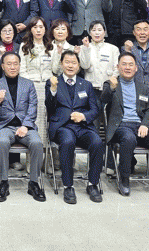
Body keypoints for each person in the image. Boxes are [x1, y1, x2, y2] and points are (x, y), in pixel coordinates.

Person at [101, 52, 149, 197]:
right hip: (121, 126)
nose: (127, 67)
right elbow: (103, 100)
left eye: (131, 64)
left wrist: (145, 124)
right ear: (118, 67)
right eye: (124, 64)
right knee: (129, 138)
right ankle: (124, 179)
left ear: (136, 68)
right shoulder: (111, 83)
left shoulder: (143, 87)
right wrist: (111, 88)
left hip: (140, 126)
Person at [46, 50, 104, 204]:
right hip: (63, 126)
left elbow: (95, 110)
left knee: (97, 142)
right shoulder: (53, 82)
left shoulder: (86, 85)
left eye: (74, 63)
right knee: (68, 142)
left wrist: (83, 116)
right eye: (67, 62)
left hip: (83, 126)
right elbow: (49, 108)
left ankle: (92, 184)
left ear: (79, 66)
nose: (70, 66)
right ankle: (68, 186)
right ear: (61, 64)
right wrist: (53, 90)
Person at [0, 52, 45, 202]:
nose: (12, 67)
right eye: (9, 64)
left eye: (15, 64)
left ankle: (34, 183)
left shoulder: (28, 84)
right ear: (3, 66)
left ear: (20, 66)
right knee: (2, 143)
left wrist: (26, 126)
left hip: (25, 126)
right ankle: (3, 182)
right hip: (4, 126)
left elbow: (33, 107)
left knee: (37, 143)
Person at [18, 17, 54, 146]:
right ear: (30, 29)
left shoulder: (52, 46)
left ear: (45, 29)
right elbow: (22, 69)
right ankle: (34, 152)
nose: (38, 30)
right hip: (31, 86)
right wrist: (30, 84)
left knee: (46, 119)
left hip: (48, 86)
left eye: (41, 27)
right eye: (35, 27)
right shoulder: (24, 46)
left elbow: (56, 69)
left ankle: (46, 153)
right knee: (34, 118)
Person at [122, 20, 149, 95]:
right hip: (132, 93)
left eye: (145, 29)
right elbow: (122, 71)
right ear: (134, 32)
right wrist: (127, 51)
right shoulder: (127, 49)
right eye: (138, 29)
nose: (142, 33)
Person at [80, 21, 120, 97]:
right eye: (94, 30)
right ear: (90, 33)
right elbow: (85, 66)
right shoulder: (83, 48)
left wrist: (111, 81)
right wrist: (86, 48)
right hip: (90, 86)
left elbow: (117, 68)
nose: (97, 33)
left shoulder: (113, 48)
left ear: (104, 32)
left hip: (108, 86)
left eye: (99, 30)